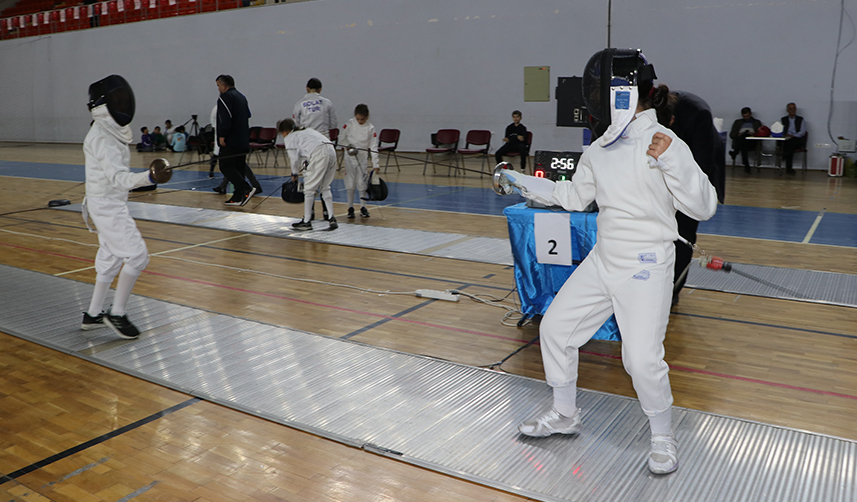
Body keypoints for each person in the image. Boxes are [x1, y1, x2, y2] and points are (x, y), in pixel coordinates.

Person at [509, 49, 717, 475]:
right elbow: (572, 197)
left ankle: (663, 437)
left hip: (645, 264)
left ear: (619, 94)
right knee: (556, 329)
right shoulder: (602, 146)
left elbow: (704, 206)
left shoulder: (664, 141)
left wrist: (673, 159)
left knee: (640, 359)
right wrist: (518, 181)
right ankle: (565, 414)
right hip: (604, 259)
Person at [80, 75, 170, 339]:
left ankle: (94, 313)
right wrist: (149, 178)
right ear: (103, 105)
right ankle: (116, 313)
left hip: (109, 202)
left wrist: (148, 179)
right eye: (117, 100)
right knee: (137, 256)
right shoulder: (102, 137)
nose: (123, 104)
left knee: (111, 256)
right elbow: (119, 179)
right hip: (107, 205)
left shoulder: (107, 131)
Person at [660, 91, 726, 306]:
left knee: (683, 236)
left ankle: (672, 291)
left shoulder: (697, 115)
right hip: (665, 171)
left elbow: (700, 168)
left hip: (696, 172)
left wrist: (679, 196)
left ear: (673, 118)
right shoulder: (654, 109)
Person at [278, 118, 338, 231]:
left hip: (319, 153)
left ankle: (306, 221)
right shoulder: (307, 131)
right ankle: (331, 218)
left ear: (284, 131)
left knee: (309, 190)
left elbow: (294, 158)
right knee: (325, 187)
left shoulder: (290, 137)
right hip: (331, 151)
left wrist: (294, 173)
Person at [215, 74, 255, 206]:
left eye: (219, 86)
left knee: (225, 165)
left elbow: (225, 118)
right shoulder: (241, 97)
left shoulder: (225, 98)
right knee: (238, 167)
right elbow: (248, 114)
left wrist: (222, 135)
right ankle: (238, 196)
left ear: (224, 85)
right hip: (243, 138)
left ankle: (245, 188)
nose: (218, 89)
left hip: (231, 139)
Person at [340, 103, 380, 218]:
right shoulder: (349, 124)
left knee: (362, 183)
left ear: (367, 117)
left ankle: (363, 207)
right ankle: (350, 207)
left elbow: (373, 147)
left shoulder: (370, 128)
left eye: (362, 119)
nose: (360, 121)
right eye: (358, 119)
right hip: (350, 158)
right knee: (350, 183)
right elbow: (342, 138)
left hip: (362, 159)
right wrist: (348, 146)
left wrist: (376, 164)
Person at [729, 107, 762, 173]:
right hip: (741, 140)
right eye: (744, 116)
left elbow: (760, 133)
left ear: (750, 114)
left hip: (752, 141)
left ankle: (735, 152)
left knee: (744, 138)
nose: (746, 118)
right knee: (744, 141)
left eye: (747, 116)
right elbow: (732, 135)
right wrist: (738, 134)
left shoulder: (756, 122)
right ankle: (747, 166)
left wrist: (753, 134)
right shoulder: (737, 122)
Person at [781, 102, 807, 175]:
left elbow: (802, 132)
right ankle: (789, 168)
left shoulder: (801, 119)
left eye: (794, 108)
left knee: (791, 143)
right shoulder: (783, 119)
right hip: (786, 139)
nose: (793, 110)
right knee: (789, 144)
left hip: (797, 139)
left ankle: (786, 160)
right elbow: (780, 130)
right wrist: (785, 135)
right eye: (790, 109)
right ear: (787, 110)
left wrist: (793, 135)